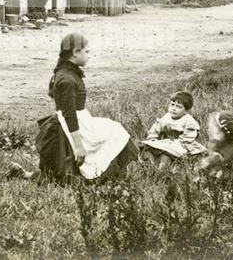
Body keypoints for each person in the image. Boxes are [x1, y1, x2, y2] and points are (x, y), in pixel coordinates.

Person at [44, 32, 137, 181]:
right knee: (115, 132)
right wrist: (79, 146)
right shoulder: (67, 79)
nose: (89, 55)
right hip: (72, 124)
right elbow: (69, 114)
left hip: (78, 118)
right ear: (75, 52)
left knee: (115, 128)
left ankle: (117, 172)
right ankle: (107, 174)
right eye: (87, 52)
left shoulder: (67, 72)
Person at [141, 91, 208, 169]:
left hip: (180, 145)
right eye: (172, 105)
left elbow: (188, 138)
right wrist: (152, 138)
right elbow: (156, 128)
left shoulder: (188, 121)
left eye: (179, 107)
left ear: (186, 110)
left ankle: (162, 169)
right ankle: (149, 165)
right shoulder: (166, 117)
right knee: (146, 147)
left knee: (166, 154)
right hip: (165, 143)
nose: (174, 109)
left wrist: (173, 143)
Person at [199, 110, 233, 182]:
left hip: (229, 177)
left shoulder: (231, 147)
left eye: (214, 131)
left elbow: (220, 158)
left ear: (224, 134)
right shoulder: (215, 143)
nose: (209, 130)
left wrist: (208, 161)